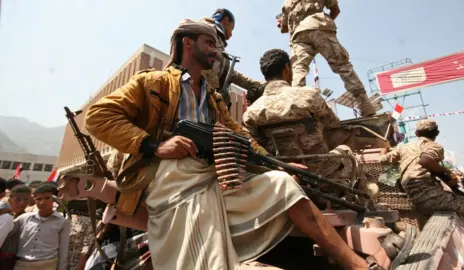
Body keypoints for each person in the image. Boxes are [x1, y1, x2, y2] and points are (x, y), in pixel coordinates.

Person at [84, 19, 371, 269]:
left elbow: (242, 138)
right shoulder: (154, 83)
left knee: (285, 185)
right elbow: (97, 117)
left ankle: (357, 264)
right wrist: (154, 146)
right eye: (209, 43)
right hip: (166, 177)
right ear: (188, 43)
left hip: (210, 175)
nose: (215, 51)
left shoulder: (212, 98)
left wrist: (279, 165)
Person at [243, 49, 378, 198]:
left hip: (284, 176)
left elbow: (251, 145)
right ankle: (366, 198)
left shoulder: (251, 112)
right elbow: (333, 125)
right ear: (287, 69)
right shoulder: (309, 95)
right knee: (346, 150)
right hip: (322, 173)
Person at [279, 0, 376, 117]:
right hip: (319, 25)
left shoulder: (287, 2)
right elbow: (335, 10)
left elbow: (284, 28)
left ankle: (297, 109)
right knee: (342, 66)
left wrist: (283, 23)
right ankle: (366, 107)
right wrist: (323, 23)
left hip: (299, 35)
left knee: (298, 70)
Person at [379, 119, 464, 230]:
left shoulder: (403, 147)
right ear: (437, 133)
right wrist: (446, 170)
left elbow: (382, 159)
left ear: (417, 133)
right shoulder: (434, 146)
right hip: (430, 197)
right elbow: (425, 160)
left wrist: (384, 143)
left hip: (416, 199)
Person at [200, 8, 265, 107]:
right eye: (232, 28)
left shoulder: (219, 45)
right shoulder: (208, 30)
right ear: (226, 21)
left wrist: (258, 85)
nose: (231, 34)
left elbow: (231, 75)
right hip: (198, 94)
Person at [13, 183, 70, 270]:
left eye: (47, 198)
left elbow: (63, 250)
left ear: (54, 200)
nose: (42, 202)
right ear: (34, 200)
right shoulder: (24, 218)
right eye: (39, 199)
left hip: (47, 265)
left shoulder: (62, 221)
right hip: (22, 264)